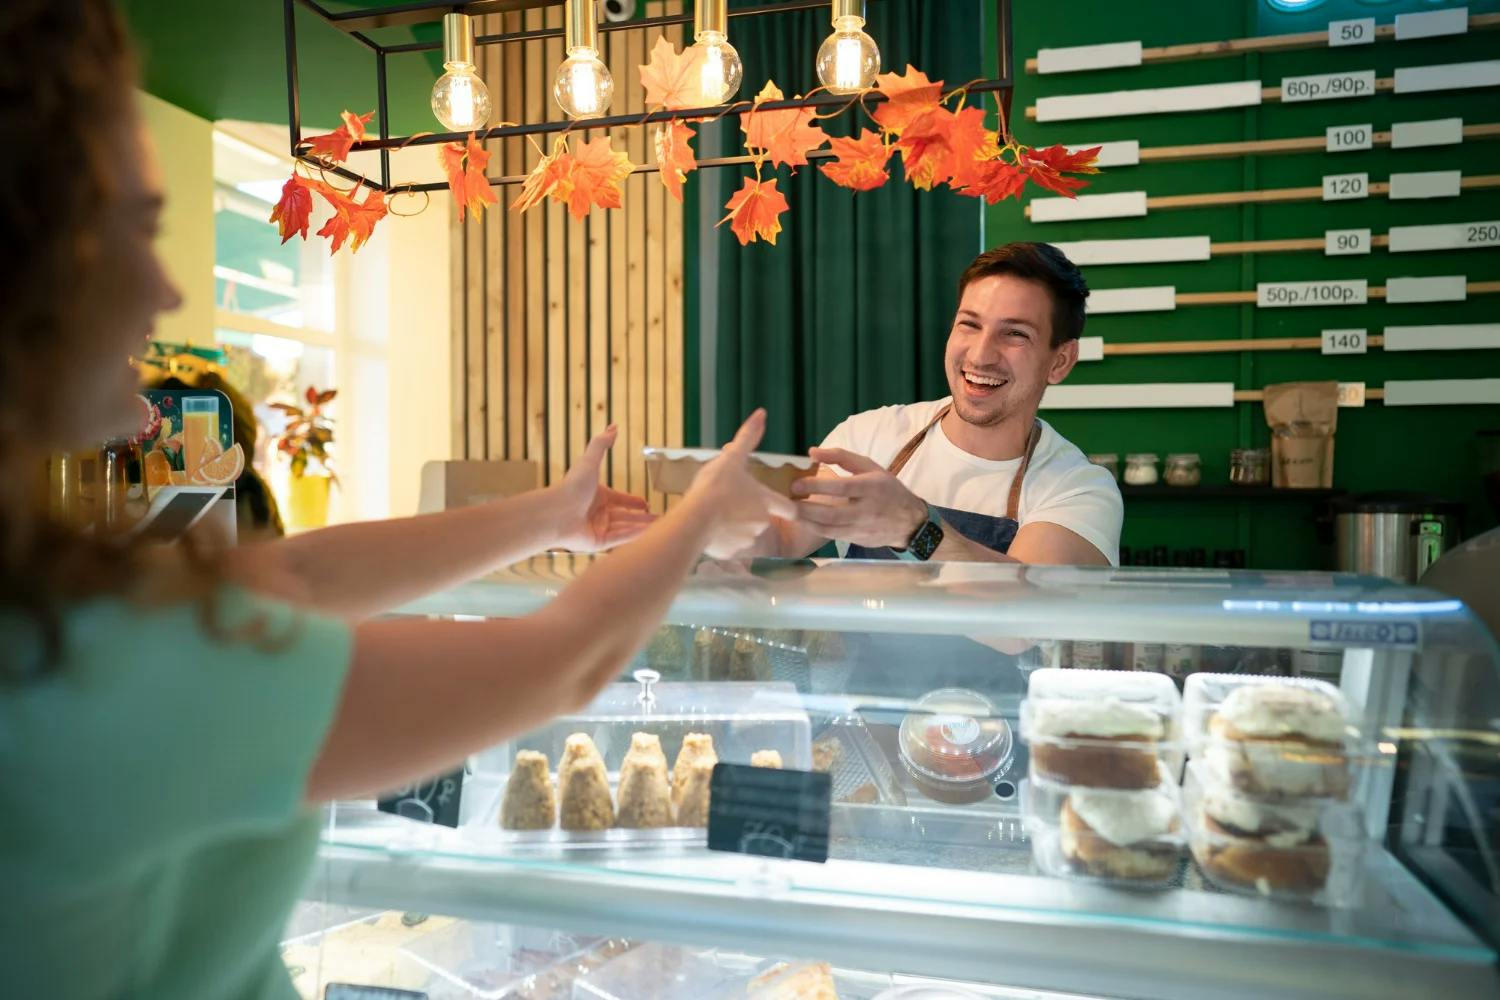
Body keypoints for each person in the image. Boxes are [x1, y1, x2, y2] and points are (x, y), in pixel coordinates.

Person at [0, 3, 792, 997]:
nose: (166, 288)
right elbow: (560, 660)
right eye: (140, 231)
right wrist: (700, 513)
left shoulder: (54, 609)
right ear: (34, 265)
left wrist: (550, 515)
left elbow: (290, 571)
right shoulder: (87, 666)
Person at [753, 242, 1122, 567]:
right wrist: (713, 508)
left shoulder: (1078, 489)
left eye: (1015, 334)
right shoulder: (870, 437)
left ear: (1060, 361)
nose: (981, 355)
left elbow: (1024, 619)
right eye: (970, 325)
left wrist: (916, 528)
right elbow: (782, 538)